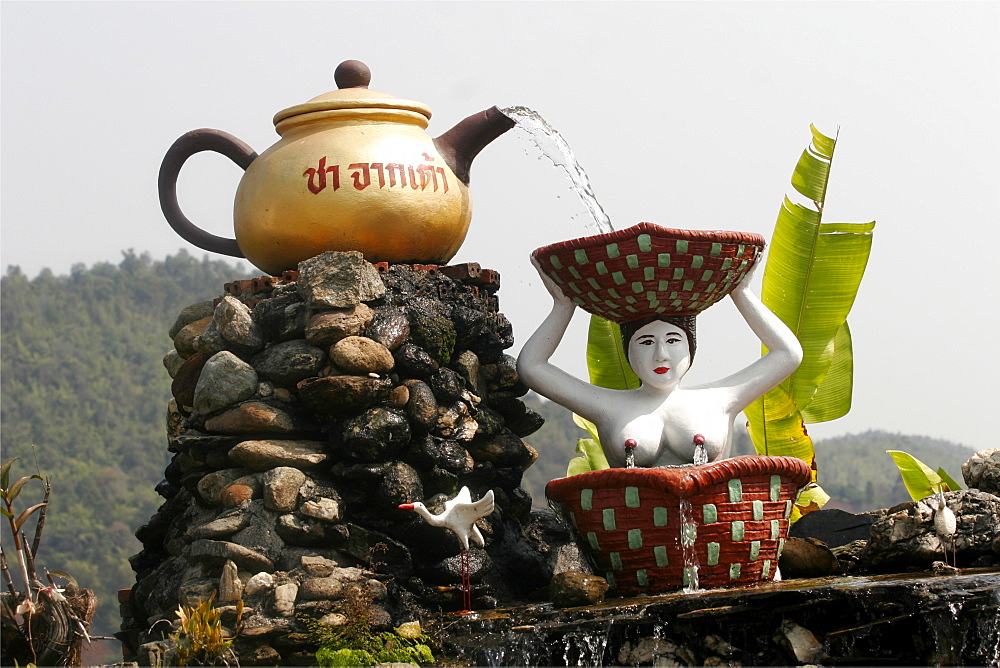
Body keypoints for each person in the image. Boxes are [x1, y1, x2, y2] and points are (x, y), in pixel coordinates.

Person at [517, 257, 803, 468]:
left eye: (674, 340)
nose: (661, 354)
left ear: (691, 349)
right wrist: (563, 307)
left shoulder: (719, 399)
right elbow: (531, 367)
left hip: (710, 531)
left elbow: (788, 354)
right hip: (636, 533)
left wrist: (742, 294)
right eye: (645, 342)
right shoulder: (607, 406)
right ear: (628, 353)